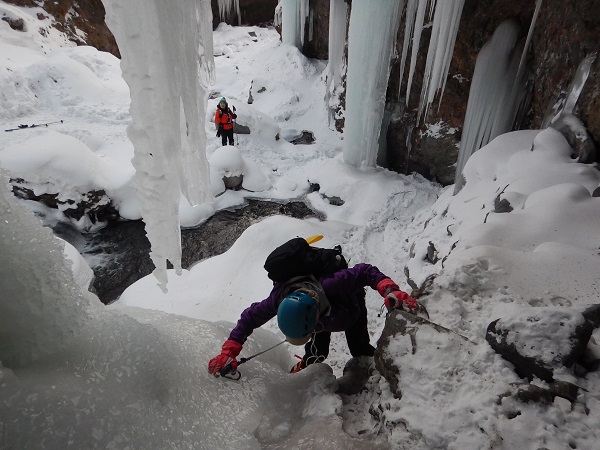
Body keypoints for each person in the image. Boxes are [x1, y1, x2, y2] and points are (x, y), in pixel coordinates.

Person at [208, 263, 419, 376]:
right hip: (323, 318)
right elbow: (249, 318)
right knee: (317, 354)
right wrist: (228, 351)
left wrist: (389, 289)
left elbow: (364, 271)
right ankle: (306, 367)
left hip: (350, 308)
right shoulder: (278, 300)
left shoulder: (331, 284)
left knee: (359, 349)